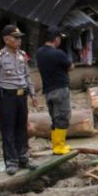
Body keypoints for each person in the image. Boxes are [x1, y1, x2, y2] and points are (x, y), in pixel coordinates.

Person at [0, 25, 40, 175]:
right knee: (8, 129)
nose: (19, 40)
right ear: (6, 39)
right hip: (6, 97)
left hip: (21, 96)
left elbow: (27, 76)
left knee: (21, 128)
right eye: (15, 38)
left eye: (20, 38)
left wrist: (33, 95)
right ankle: (11, 161)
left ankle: (24, 158)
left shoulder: (22, 55)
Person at [35, 27, 73, 155]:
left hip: (48, 90)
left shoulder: (39, 53)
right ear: (56, 39)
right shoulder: (58, 53)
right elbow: (70, 67)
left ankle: (55, 145)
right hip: (61, 88)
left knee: (54, 118)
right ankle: (59, 146)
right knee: (62, 117)